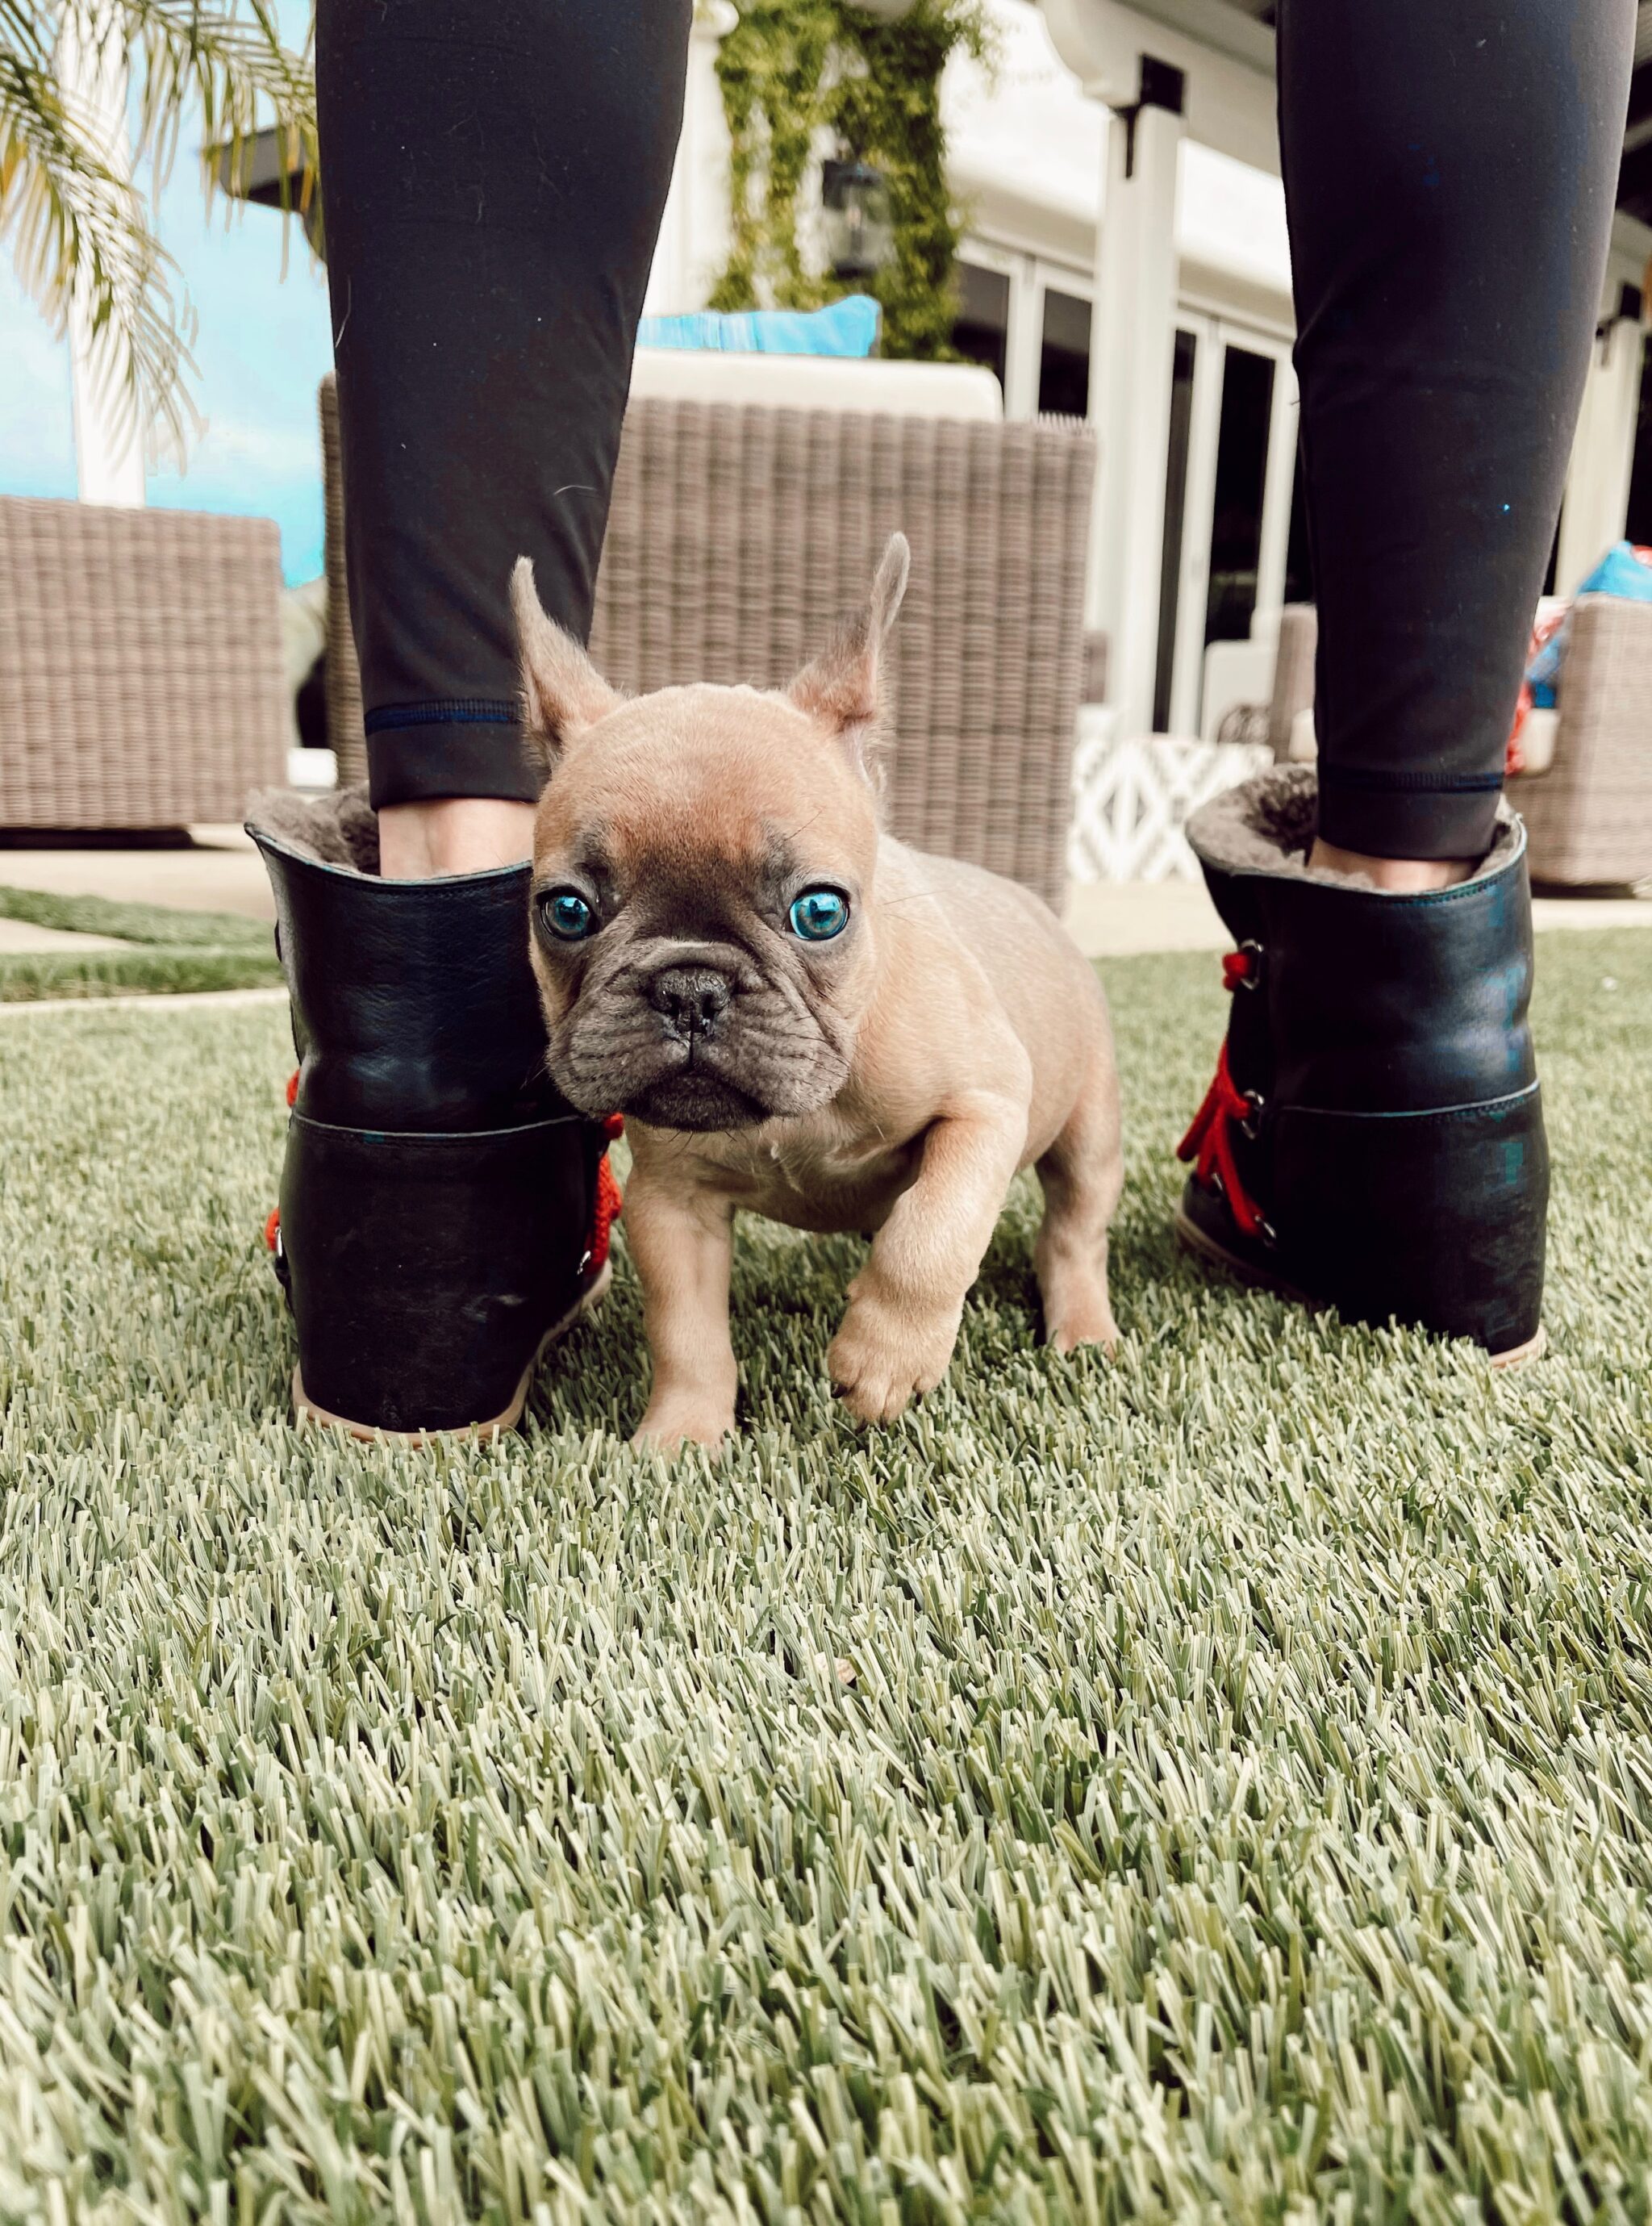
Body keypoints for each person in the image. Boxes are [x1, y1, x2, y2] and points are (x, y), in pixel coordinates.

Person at [257, 0, 1634, 1434]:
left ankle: (434, 1103)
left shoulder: (934, 1003)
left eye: (803, 917)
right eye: (570, 917)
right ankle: (1412, 1066)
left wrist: (930, 1277)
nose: (690, 994)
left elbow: (992, 1096)